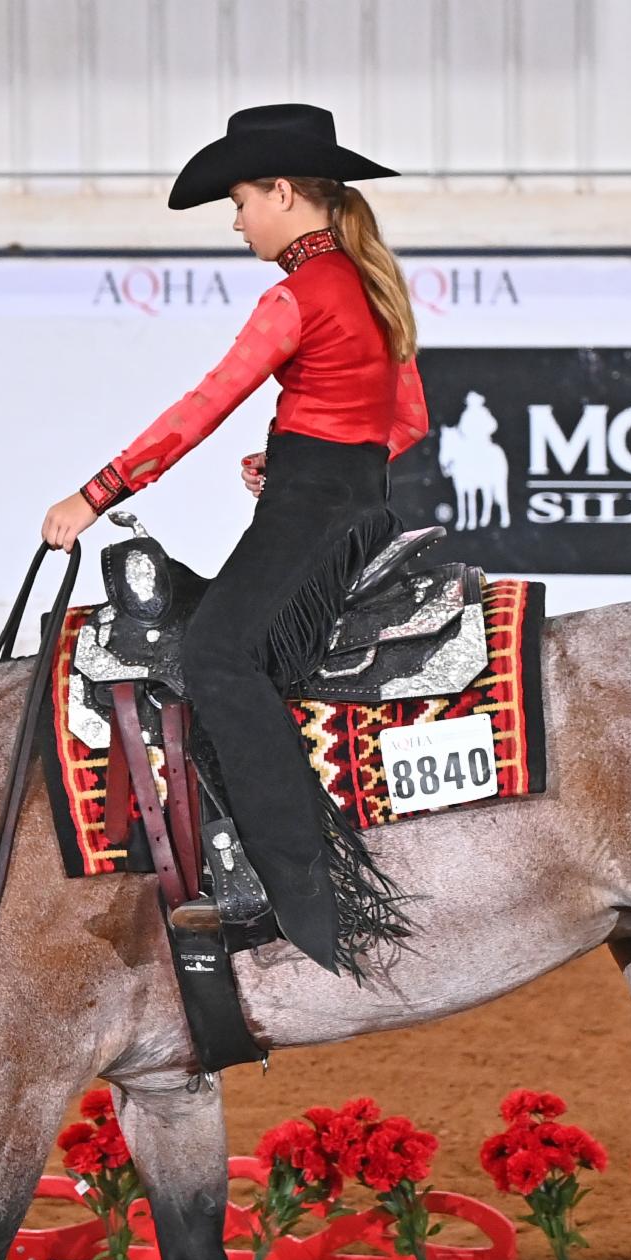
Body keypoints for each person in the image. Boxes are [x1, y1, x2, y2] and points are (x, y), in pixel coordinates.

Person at [39, 104, 430, 978]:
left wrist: (95, 494)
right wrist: (298, 448)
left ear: (285, 193)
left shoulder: (294, 295)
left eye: (245, 199)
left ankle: (287, 880)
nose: (237, 218)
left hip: (305, 519)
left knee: (215, 655)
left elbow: (202, 408)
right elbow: (405, 421)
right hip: (357, 509)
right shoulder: (371, 281)